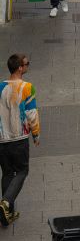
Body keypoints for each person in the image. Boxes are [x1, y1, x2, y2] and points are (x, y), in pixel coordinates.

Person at [0, 54, 40, 227]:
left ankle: (6, 214)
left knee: (7, 173)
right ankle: (6, 202)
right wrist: (36, 134)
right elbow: (32, 114)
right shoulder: (27, 87)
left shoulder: (0, 86)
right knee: (22, 171)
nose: (27, 66)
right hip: (19, 138)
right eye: (26, 64)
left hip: (2, 139)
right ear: (20, 68)